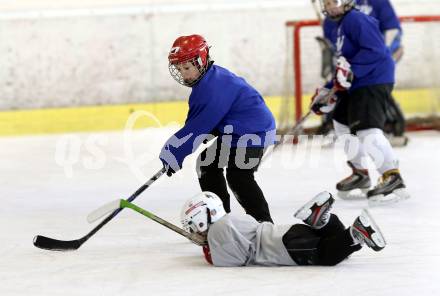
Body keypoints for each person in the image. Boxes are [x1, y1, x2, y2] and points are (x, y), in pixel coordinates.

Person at [160, 34, 276, 223]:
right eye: (179, 69)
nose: (183, 73)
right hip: (236, 131)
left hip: (255, 132)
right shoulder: (207, 81)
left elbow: (196, 129)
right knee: (207, 164)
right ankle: (220, 220)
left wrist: (173, 151)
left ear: (201, 60)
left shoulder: (212, 87)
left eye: (187, 67)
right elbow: (198, 123)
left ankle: (264, 224)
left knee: (239, 175)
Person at [311, 0, 409, 204]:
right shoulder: (331, 25)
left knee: (367, 130)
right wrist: (328, 91)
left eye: (334, 1)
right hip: (355, 81)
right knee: (341, 123)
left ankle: (392, 176)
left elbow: (375, 51)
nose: (330, 6)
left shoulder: (357, 19)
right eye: (326, 2)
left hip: (373, 78)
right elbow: (342, 63)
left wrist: (351, 72)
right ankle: (361, 174)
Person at [180, 191, 386, 267]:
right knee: (330, 239)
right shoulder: (231, 220)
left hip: (285, 248)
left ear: (202, 220)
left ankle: (357, 233)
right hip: (288, 233)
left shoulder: (218, 233)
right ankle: (321, 220)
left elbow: (230, 260)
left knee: (326, 255)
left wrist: (208, 249)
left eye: (194, 229)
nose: (195, 235)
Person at [318, 0, 406, 140]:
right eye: (327, 4)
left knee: (373, 90)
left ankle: (390, 124)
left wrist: (381, 57)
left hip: (379, 56)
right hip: (355, 64)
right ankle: (354, 129)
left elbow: (392, 30)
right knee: (354, 97)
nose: (330, 5)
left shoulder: (376, 3)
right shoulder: (332, 16)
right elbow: (335, 48)